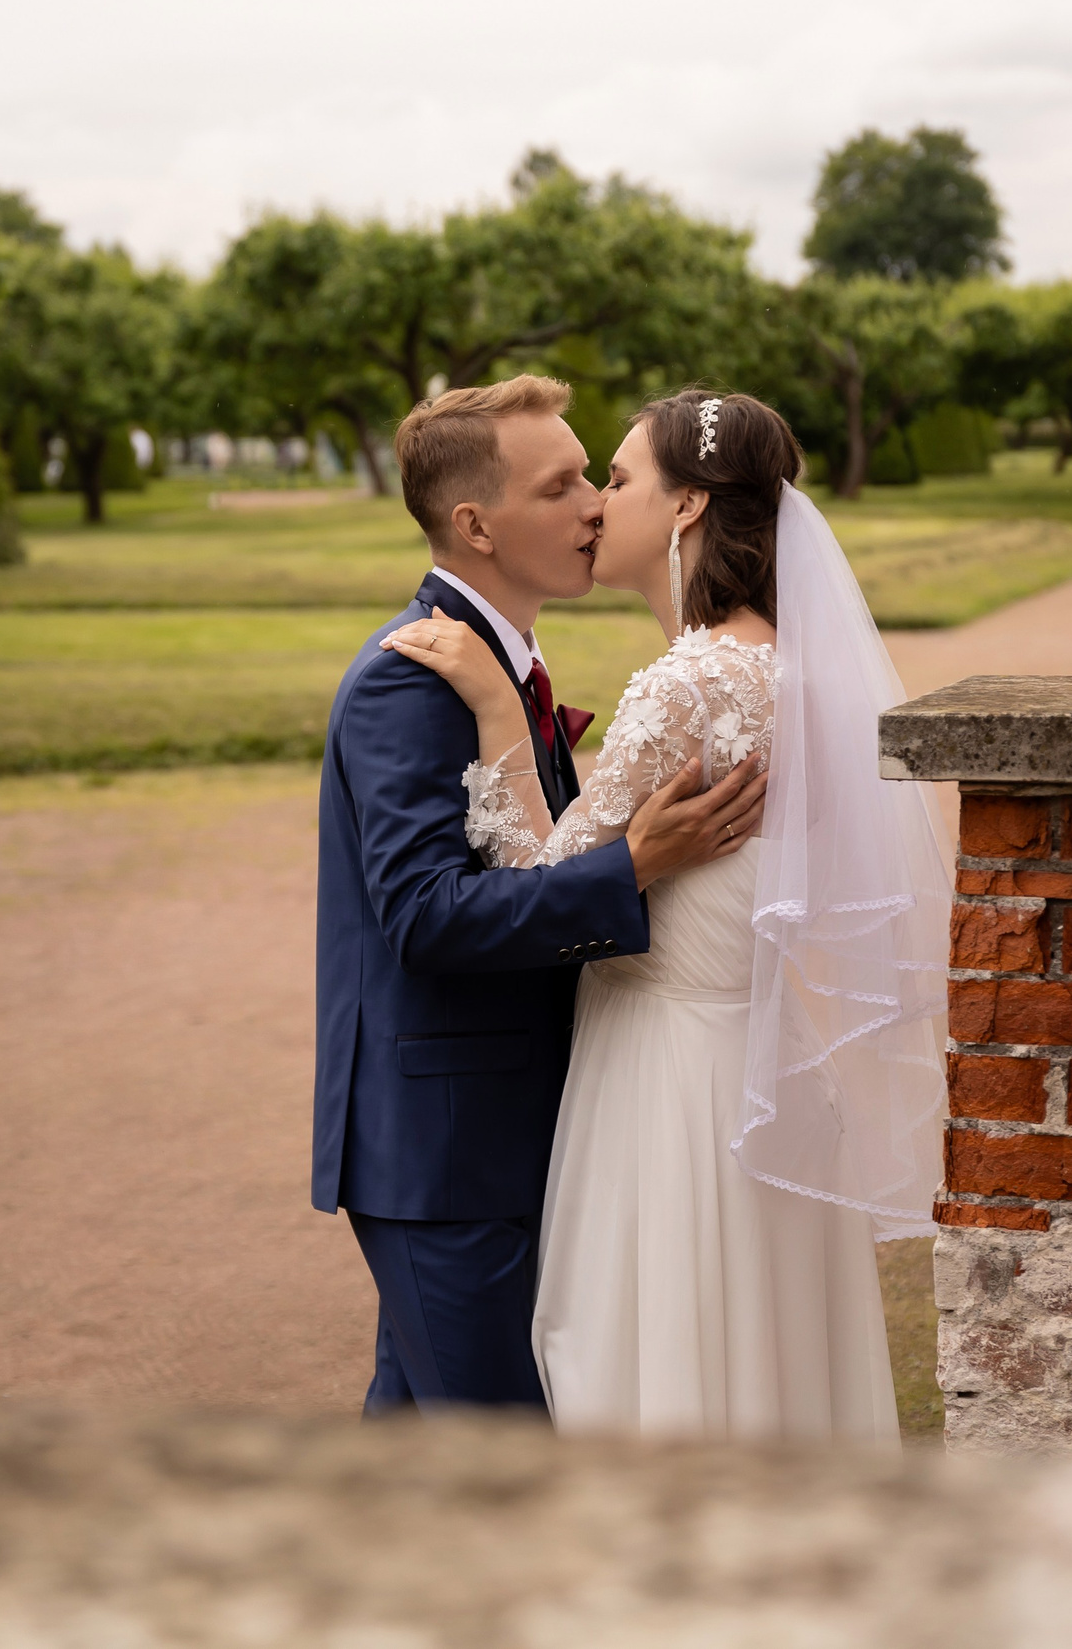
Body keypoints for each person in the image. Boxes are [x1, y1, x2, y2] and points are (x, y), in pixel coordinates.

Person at [383, 389, 950, 1443]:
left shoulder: (688, 680)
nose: (601, 502)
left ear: (686, 506)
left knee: (655, 1371)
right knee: (770, 1375)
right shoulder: (796, 671)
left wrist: (502, 709)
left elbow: (536, 871)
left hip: (669, 1083)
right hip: (769, 1082)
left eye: (619, 476)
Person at [313, 374, 768, 1416]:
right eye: (562, 485)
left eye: (593, 479)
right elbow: (426, 915)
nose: (596, 507)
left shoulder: (502, 668)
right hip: (447, 1150)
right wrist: (631, 867)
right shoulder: (407, 679)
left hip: (515, 1130)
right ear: (475, 524)